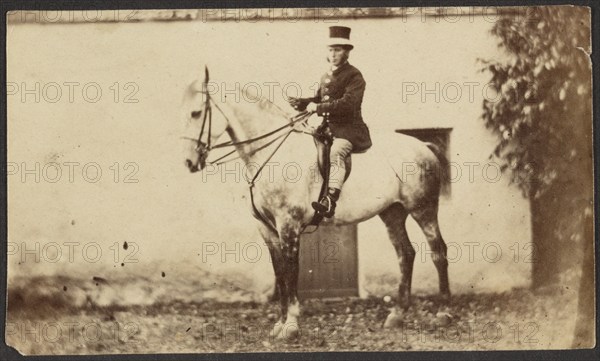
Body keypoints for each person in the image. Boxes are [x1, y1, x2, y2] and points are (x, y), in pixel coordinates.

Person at [289, 26, 372, 218]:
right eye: (330, 50)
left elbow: (348, 104)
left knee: (336, 153)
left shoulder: (354, 76)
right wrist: (302, 102)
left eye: (338, 50)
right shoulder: (326, 75)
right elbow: (321, 99)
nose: (333, 54)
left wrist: (317, 108)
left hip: (349, 130)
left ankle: (330, 200)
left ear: (347, 52)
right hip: (328, 128)